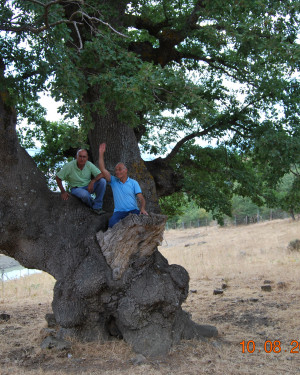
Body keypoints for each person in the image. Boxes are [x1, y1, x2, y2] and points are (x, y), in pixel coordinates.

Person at [98, 143, 148, 227]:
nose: (117, 172)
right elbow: (102, 169)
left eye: (120, 169)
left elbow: (141, 198)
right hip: (119, 212)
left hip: (133, 210)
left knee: (142, 225)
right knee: (112, 225)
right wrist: (101, 153)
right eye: (116, 170)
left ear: (126, 170)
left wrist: (142, 208)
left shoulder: (133, 183)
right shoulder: (113, 180)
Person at [55, 149, 106, 214]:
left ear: (87, 158)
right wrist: (63, 191)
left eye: (84, 157)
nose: (82, 159)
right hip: (76, 188)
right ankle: (93, 207)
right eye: (80, 156)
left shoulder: (89, 164)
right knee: (85, 195)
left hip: (88, 186)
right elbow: (58, 177)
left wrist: (93, 181)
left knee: (102, 181)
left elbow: (102, 174)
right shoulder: (70, 166)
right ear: (76, 157)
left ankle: (97, 206)